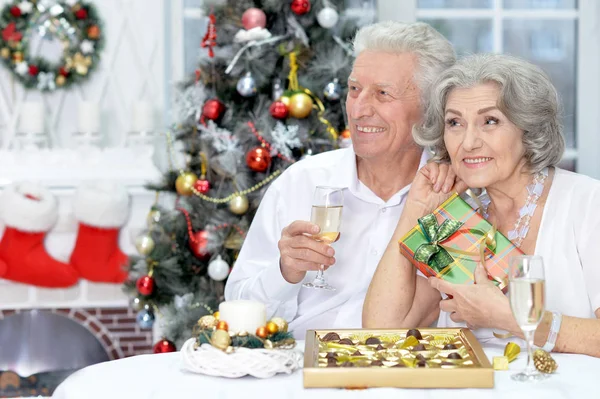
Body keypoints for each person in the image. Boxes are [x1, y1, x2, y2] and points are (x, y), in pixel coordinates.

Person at [224, 21, 456, 339]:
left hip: (404, 377)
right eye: (355, 89)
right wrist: (285, 272)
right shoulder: (300, 183)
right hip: (300, 371)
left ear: (430, 109)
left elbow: (466, 318)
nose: (359, 109)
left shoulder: (454, 198)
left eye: (383, 94)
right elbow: (237, 306)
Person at [364, 53, 600, 357]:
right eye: (455, 123)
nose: (469, 142)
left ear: (528, 129)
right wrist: (415, 210)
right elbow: (381, 334)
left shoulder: (587, 203)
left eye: (490, 121)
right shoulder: (454, 218)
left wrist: (510, 318)